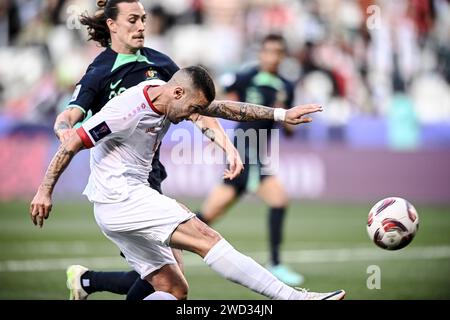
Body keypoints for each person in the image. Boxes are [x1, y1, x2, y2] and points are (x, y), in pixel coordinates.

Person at [30, 66, 345, 300]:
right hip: (121, 196)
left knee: (173, 289)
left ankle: (88, 282)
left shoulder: (167, 94)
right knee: (206, 237)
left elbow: (222, 108)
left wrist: (279, 114)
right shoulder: (125, 111)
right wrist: (44, 190)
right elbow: (72, 142)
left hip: (117, 204)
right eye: (194, 109)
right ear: (178, 93)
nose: (195, 116)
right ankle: (295, 298)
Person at [55, 0, 242, 300]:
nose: (141, 25)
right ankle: (86, 280)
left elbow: (198, 106)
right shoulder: (100, 71)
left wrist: (227, 146)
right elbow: (70, 115)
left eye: (143, 19)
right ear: (112, 25)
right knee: (168, 277)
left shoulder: (160, 63)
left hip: (150, 176)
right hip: (118, 185)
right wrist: (63, 130)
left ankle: (86, 280)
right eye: (133, 19)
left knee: (164, 275)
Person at [196, 34, 303, 286]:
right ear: (261, 54)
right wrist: (210, 128)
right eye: (268, 51)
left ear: (282, 56)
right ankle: (275, 264)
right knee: (279, 199)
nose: (272, 57)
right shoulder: (246, 77)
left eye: (277, 52)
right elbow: (219, 99)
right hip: (244, 152)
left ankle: (164, 239)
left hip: (257, 155)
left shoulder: (286, 87)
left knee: (207, 215)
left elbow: (289, 131)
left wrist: (285, 115)